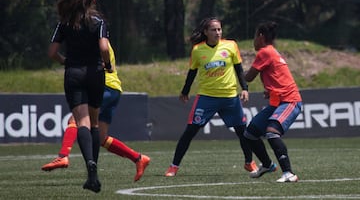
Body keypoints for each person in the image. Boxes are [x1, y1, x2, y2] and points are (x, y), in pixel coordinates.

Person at [42, 43, 150, 182]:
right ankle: (139, 159)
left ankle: (63, 156)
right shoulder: (100, 37)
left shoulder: (96, 39)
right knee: (101, 137)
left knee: (74, 120)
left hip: (104, 87)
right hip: (113, 88)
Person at [164, 17, 257, 177]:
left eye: (219, 29)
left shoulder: (231, 46)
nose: (217, 32)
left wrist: (245, 89)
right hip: (207, 98)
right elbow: (192, 72)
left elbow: (239, 69)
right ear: (206, 32)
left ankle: (249, 162)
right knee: (190, 131)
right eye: (213, 30)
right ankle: (174, 166)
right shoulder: (198, 50)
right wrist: (185, 91)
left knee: (243, 132)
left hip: (230, 98)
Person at [48, 0, 112, 193]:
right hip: (95, 73)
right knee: (94, 122)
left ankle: (90, 168)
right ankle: (93, 172)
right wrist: (108, 64)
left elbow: (52, 52)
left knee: (81, 122)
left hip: (74, 74)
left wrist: (64, 61)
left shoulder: (65, 22)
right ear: (93, 1)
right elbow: (104, 47)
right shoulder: (99, 21)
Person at [243, 21, 302, 182]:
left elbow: (248, 77)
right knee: (250, 134)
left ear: (261, 37)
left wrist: (232, 68)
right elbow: (278, 76)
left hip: (290, 101)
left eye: (255, 36)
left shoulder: (265, 52)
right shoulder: (271, 52)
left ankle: (288, 173)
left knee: (271, 132)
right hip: (278, 102)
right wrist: (270, 90)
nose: (254, 40)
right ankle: (268, 165)